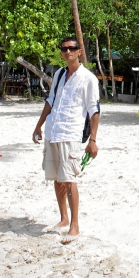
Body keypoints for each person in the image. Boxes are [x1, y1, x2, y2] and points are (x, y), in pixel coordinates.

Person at [32, 37, 100, 244]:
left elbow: (94, 109)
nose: (68, 52)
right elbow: (50, 100)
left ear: (79, 51)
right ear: (61, 53)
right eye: (64, 49)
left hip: (71, 132)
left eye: (72, 48)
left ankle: (75, 225)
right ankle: (63, 219)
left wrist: (93, 140)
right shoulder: (60, 74)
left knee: (69, 178)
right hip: (54, 130)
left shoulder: (88, 78)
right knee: (56, 178)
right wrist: (39, 125)